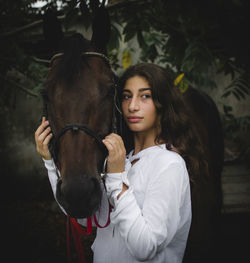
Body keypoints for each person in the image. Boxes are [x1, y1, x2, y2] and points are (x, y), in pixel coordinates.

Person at [35, 63, 207, 263]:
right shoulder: (122, 160)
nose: (133, 106)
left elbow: (145, 248)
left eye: (145, 96)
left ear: (162, 103)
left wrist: (117, 178)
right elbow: (82, 216)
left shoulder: (169, 165)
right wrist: (49, 162)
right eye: (126, 96)